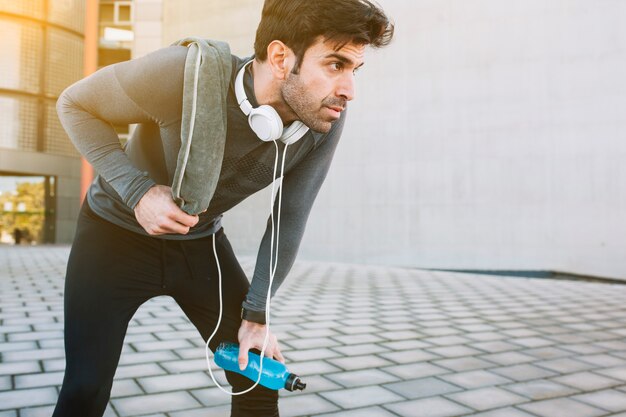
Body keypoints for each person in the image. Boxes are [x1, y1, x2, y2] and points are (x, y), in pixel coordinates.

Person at [52, 0, 393, 416]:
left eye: (354, 70)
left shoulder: (323, 119)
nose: (349, 91)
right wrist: (138, 191)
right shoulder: (182, 73)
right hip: (113, 235)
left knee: (257, 372)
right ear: (282, 57)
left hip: (200, 243)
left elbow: (289, 218)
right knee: (85, 388)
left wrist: (257, 314)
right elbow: (74, 104)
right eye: (336, 65)